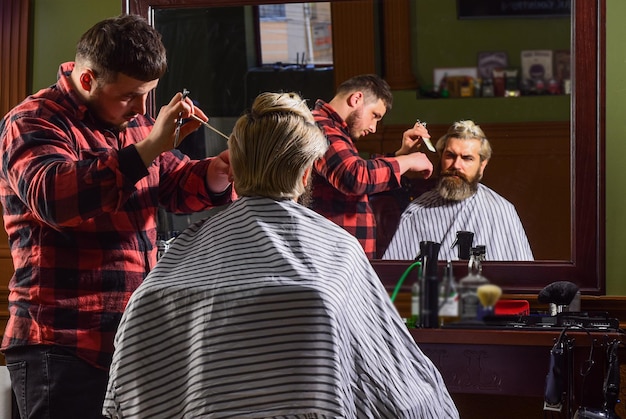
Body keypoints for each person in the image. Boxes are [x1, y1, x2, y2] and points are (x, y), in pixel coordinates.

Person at [103, 92, 459, 419]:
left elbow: (128, 397)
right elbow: (396, 383)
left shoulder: (178, 262)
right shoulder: (340, 252)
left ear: (235, 176)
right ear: (306, 176)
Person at [0, 14, 233, 419]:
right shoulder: (32, 120)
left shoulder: (136, 123)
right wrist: (150, 147)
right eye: (130, 96)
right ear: (87, 80)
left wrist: (217, 172)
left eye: (149, 94)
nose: (142, 109)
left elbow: (173, 183)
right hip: (61, 343)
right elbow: (55, 198)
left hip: (131, 338)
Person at [310, 74, 434, 259]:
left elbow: (359, 172)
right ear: (356, 98)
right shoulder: (321, 127)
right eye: (374, 116)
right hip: (332, 260)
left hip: (342, 259)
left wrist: (400, 155)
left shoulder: (335, 131)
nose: (374, 128)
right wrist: (408, 161)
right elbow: (354, 177)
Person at [383, 120, 534, 261]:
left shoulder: (501, 211)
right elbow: (394, 279)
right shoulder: (417, 212)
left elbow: (524, 278)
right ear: (441, 157)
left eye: (467, 158)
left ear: (482, 165)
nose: (456, 165)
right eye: (450, 155)